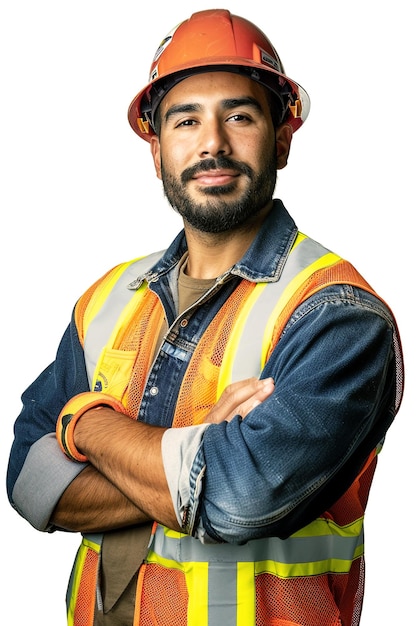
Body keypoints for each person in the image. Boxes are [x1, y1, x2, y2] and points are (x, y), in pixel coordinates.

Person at [6, 8, 404, 626]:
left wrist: (85, 426)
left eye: (239, 116)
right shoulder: (108, 299)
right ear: (156, 148)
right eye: (185, 119)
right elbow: (28, 484)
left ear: (282, 137)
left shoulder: (336, 316)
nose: (211, 142)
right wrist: (195, 464)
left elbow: (238, 499)